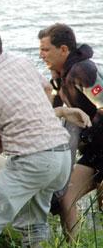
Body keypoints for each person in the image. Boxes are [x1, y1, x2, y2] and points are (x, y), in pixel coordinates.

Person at [0, 23, 72, 248]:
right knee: (33, 224)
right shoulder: (21, 62)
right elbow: (48, 90)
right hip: (61, 156)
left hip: (34, 162)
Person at [38, 23, 103, 240]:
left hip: (99, 145)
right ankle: (73, 244)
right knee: (65, 198)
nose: (41, 55)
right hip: (95, 152)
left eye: (46, 50)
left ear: (64, 49)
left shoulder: (83, 70)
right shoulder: (60, 75)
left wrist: (85, 135)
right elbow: (53, 111)